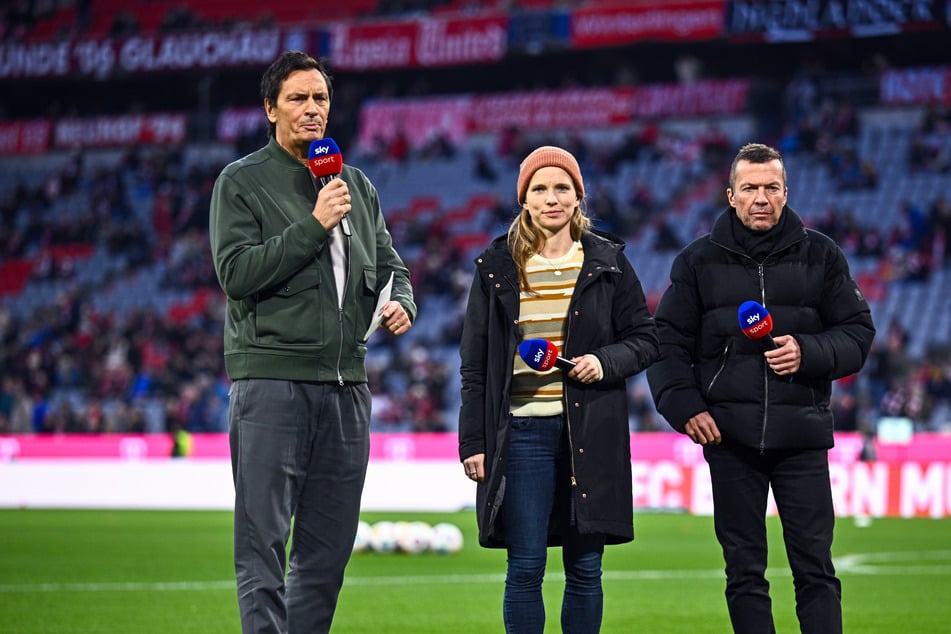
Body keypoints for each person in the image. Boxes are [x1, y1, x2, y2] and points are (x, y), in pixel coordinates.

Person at [208, 50, 416, 634]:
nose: (311, 110)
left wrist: (403, 301)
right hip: (272, 384)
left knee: (326, 556)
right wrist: (315, 223)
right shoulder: (241, 182)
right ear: (270, 109)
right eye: (297, 98)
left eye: (320, 98)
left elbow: (393, 265)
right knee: (263, 547)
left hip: (348, 386)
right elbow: (237, 274)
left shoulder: (355, 183)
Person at [646, 143, 875, 634]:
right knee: (744, 573)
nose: (761, 198)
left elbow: (858, 334)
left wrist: (808, 352)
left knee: (815, 569)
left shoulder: (822, 255)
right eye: (750, 188)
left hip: (802, 437)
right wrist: (686, 409)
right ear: (731, 195)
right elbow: (666, 346)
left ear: (786, 193)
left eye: (771, 187)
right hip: (730, 439)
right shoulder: (697, 262)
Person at [458, 146, 658, 633]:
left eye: (562, 188)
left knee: (586, 569)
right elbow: (475, 365)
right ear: (524, 200)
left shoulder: (608, 261)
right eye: (540, 189)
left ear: (578, 197)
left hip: (590, 432)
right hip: (522, 435)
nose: (552, 198)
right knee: (524, 568)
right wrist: (474, 443)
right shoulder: (495, 267)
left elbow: (646, 339)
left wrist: (603, 361)